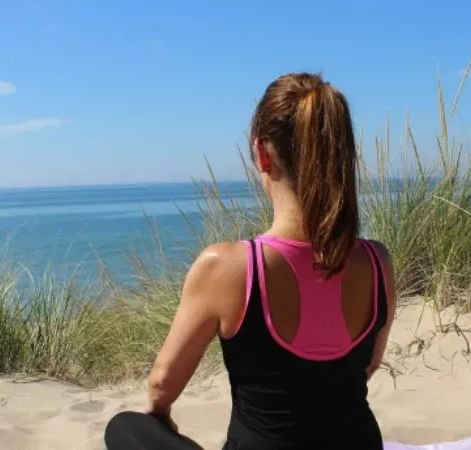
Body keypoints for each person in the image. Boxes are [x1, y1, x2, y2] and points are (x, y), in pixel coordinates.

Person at [104, 72, 396, 450]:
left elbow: (161, 386)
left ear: (261, 153)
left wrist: (162, 415)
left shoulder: (228, 267)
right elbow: (368, 366)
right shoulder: (377, 261)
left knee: (125, 428)